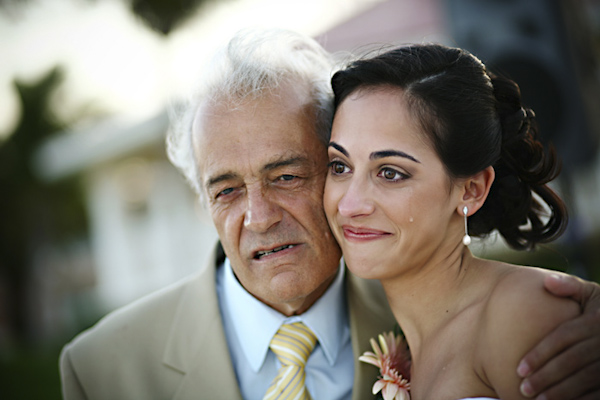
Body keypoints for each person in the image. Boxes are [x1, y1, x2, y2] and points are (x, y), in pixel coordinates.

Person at [59, 29, 600, 400]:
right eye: (225, 190)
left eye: (287, 176)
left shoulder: (520, 320)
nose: (259, 216)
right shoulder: (101, 369)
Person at [324, 42, 600, 399]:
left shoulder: (520, 313)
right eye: (340, 167)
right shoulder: (401, 350)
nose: (349, 204)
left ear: (471, 190)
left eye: (390, 173)